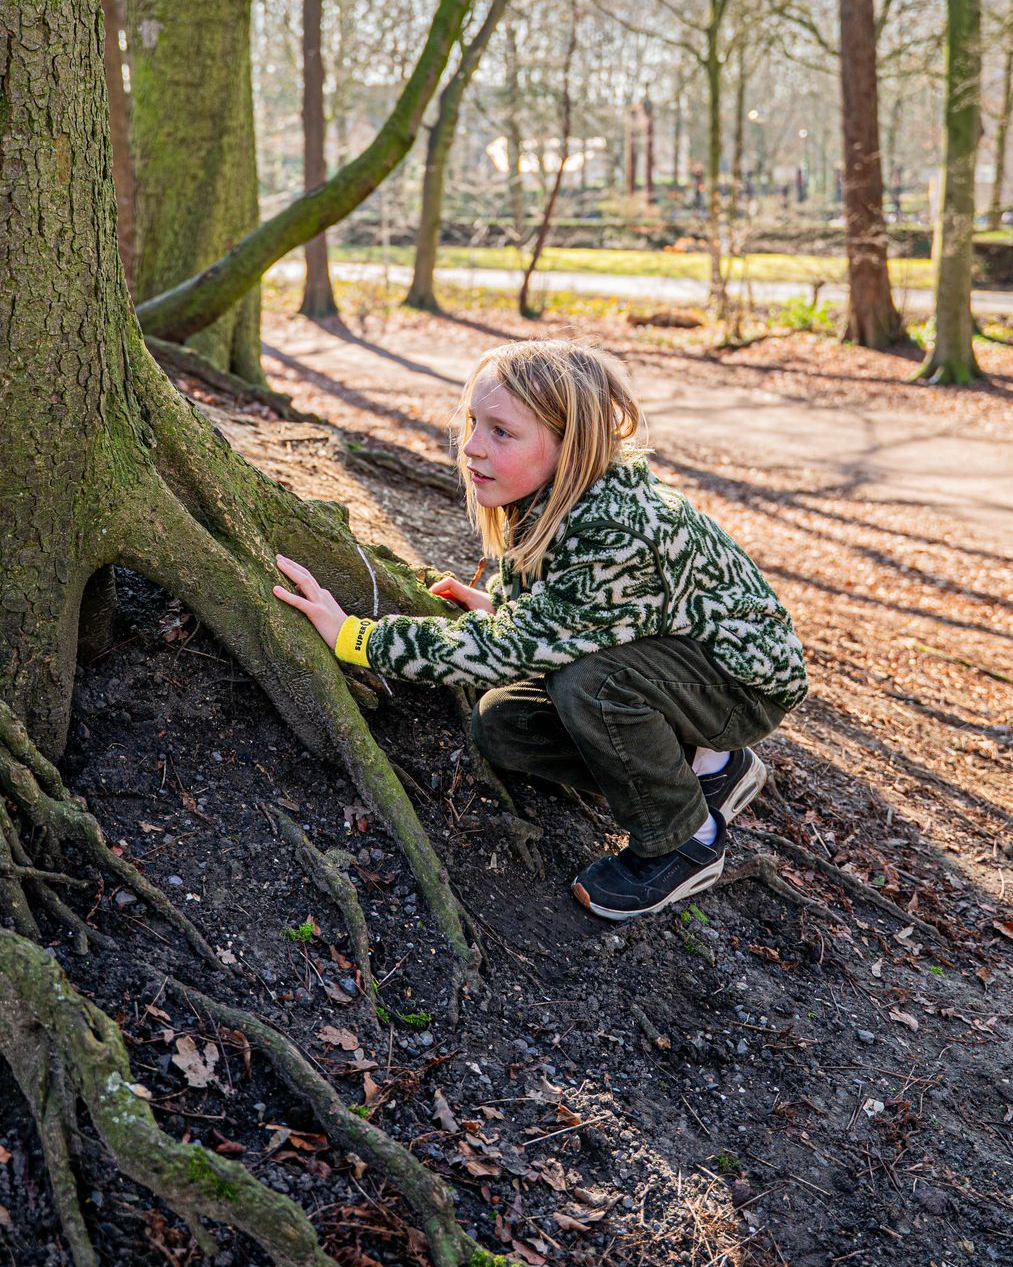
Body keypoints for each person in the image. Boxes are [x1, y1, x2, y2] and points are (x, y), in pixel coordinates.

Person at [273, 340, 807, 921]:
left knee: (591, 684)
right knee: (503, 725)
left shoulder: (619, 529)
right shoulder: (554, 495)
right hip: (668, 667)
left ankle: (685, 839)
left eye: (501, 432)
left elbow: (514, 649)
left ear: (568, 443)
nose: (472, 447)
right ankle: (705, 767)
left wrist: (358, 637)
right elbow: (564, 609)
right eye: (474, 423)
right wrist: (499, 605)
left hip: (737, 686)